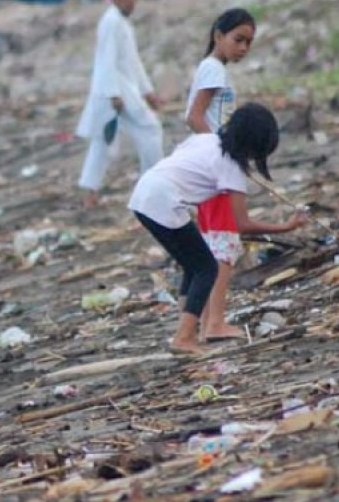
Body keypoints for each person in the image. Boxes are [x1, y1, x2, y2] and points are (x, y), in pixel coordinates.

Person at [129, 103, 307, 354]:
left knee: (193, 266)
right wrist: (286, 227)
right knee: (206, 267)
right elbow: (241, 224)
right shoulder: (231, 167)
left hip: (144, 194)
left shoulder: (205, 139)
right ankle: (184, 337)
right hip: (163, 201)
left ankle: (192, 329)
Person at [185, 8, 256, 341]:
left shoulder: (213, 69)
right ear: (218, 35)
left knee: (215, 243)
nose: (243, 48)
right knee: (223, 245)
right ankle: (214, 323)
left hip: (211, 165)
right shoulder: (212, 68)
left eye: (248, 43)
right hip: (214, 169)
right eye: (238, 39)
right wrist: (219, 152)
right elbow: (195, 117)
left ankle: (207, 321)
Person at [76, 0, 163, 208]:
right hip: (115, 92)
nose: (130, 0)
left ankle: (90, 191)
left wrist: (148, 91)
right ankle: (153, 184)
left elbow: (133, 63)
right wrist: (113, 94)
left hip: (122, 90)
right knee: (150, 129)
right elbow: (106, 60)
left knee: (103, 141)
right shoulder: (111, 22)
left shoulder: (122, 23)